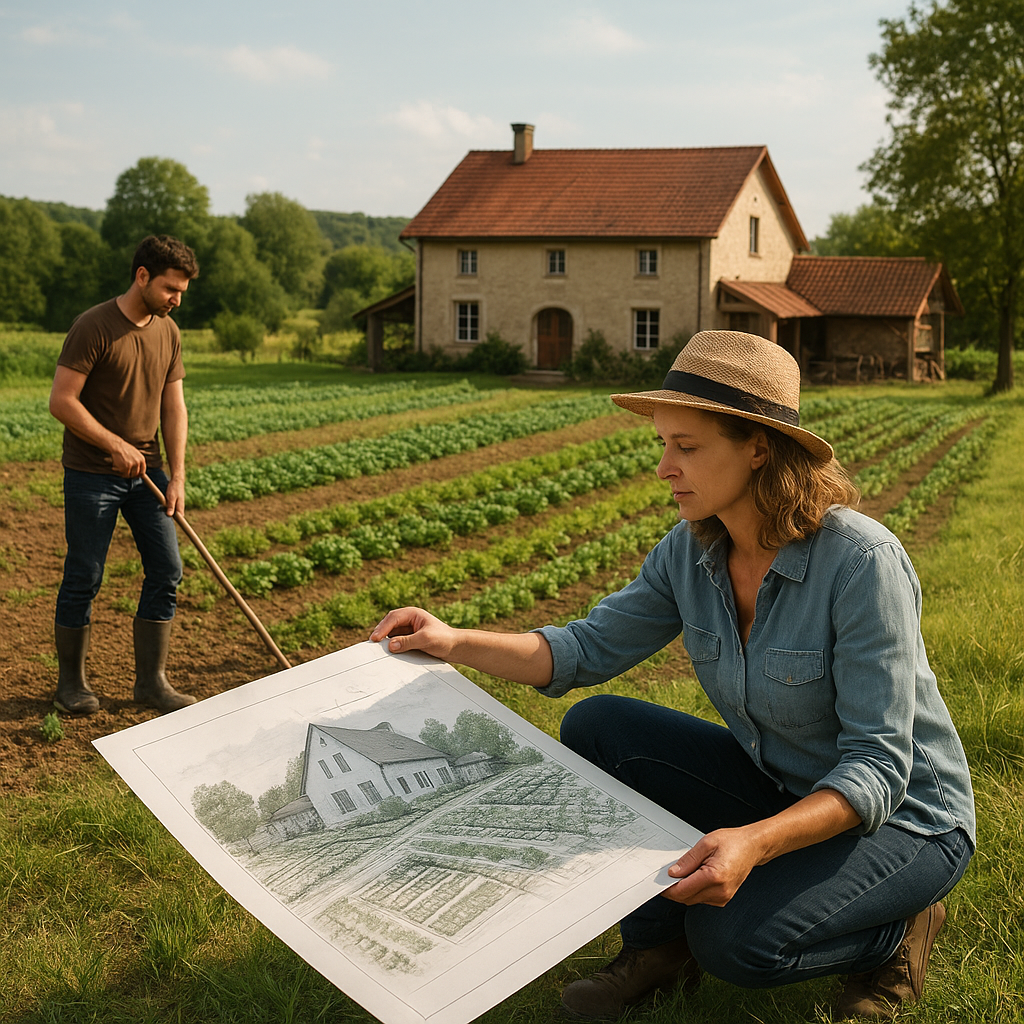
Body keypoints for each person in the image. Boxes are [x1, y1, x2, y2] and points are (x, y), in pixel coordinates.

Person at [369, 330, 975, 1021]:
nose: (665, 467)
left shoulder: (861, 563)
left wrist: (753, 841)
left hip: (904, 822)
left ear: (757, 448)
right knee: (601, 727)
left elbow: (876, 767)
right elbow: (583, 650)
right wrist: (452, 642)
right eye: (663, 444)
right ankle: (657, 951)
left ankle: (899, 931)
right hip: (786, 785)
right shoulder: (690, 551)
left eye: (687, 447)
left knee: (737, 944)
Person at [49, 234, 199, 715]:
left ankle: (151, 684)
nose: (176, 300)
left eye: (181, 292)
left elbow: (173, 406)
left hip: (149, 473)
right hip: (92, 473)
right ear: (142, 277)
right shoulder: (93, 326)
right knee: (84, 575)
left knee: (167, 570)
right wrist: (113, 444)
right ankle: (71, 684)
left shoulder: (168, 333)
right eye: (171, 289)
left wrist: (177, 475)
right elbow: (62, 401)